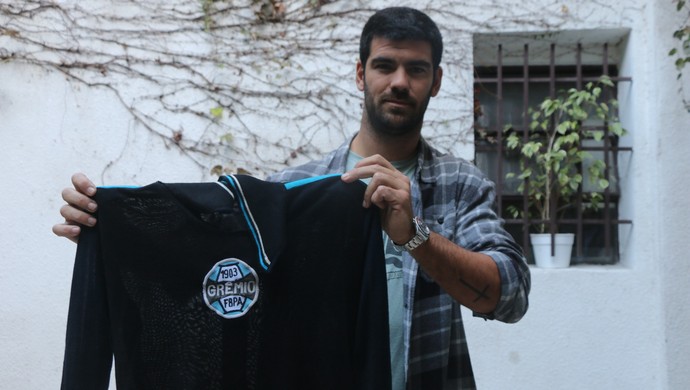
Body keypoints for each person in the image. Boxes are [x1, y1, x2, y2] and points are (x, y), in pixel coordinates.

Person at [54, 7, 530, 390]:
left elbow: (509, 295)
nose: (400, 82)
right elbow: (219, 284)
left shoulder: (459, 183)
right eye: (385, 65)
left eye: (416, 69)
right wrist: (119, 237)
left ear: (438, 81)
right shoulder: (290, 190)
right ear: (361, 74)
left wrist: (416, 238)